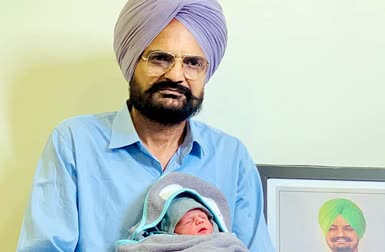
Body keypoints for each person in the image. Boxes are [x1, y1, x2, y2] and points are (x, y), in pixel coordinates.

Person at [17, 0, 274, 251]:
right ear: (132, 62)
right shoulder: (74, 143)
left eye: (193, 63)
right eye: (160, 58)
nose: (175, 75)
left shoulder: (232, 156)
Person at [114, 171, 249, 252]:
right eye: (189, 220)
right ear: (171, 232)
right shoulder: (158, 243)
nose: (199, 220)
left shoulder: (225, 240)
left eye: (204, 216)